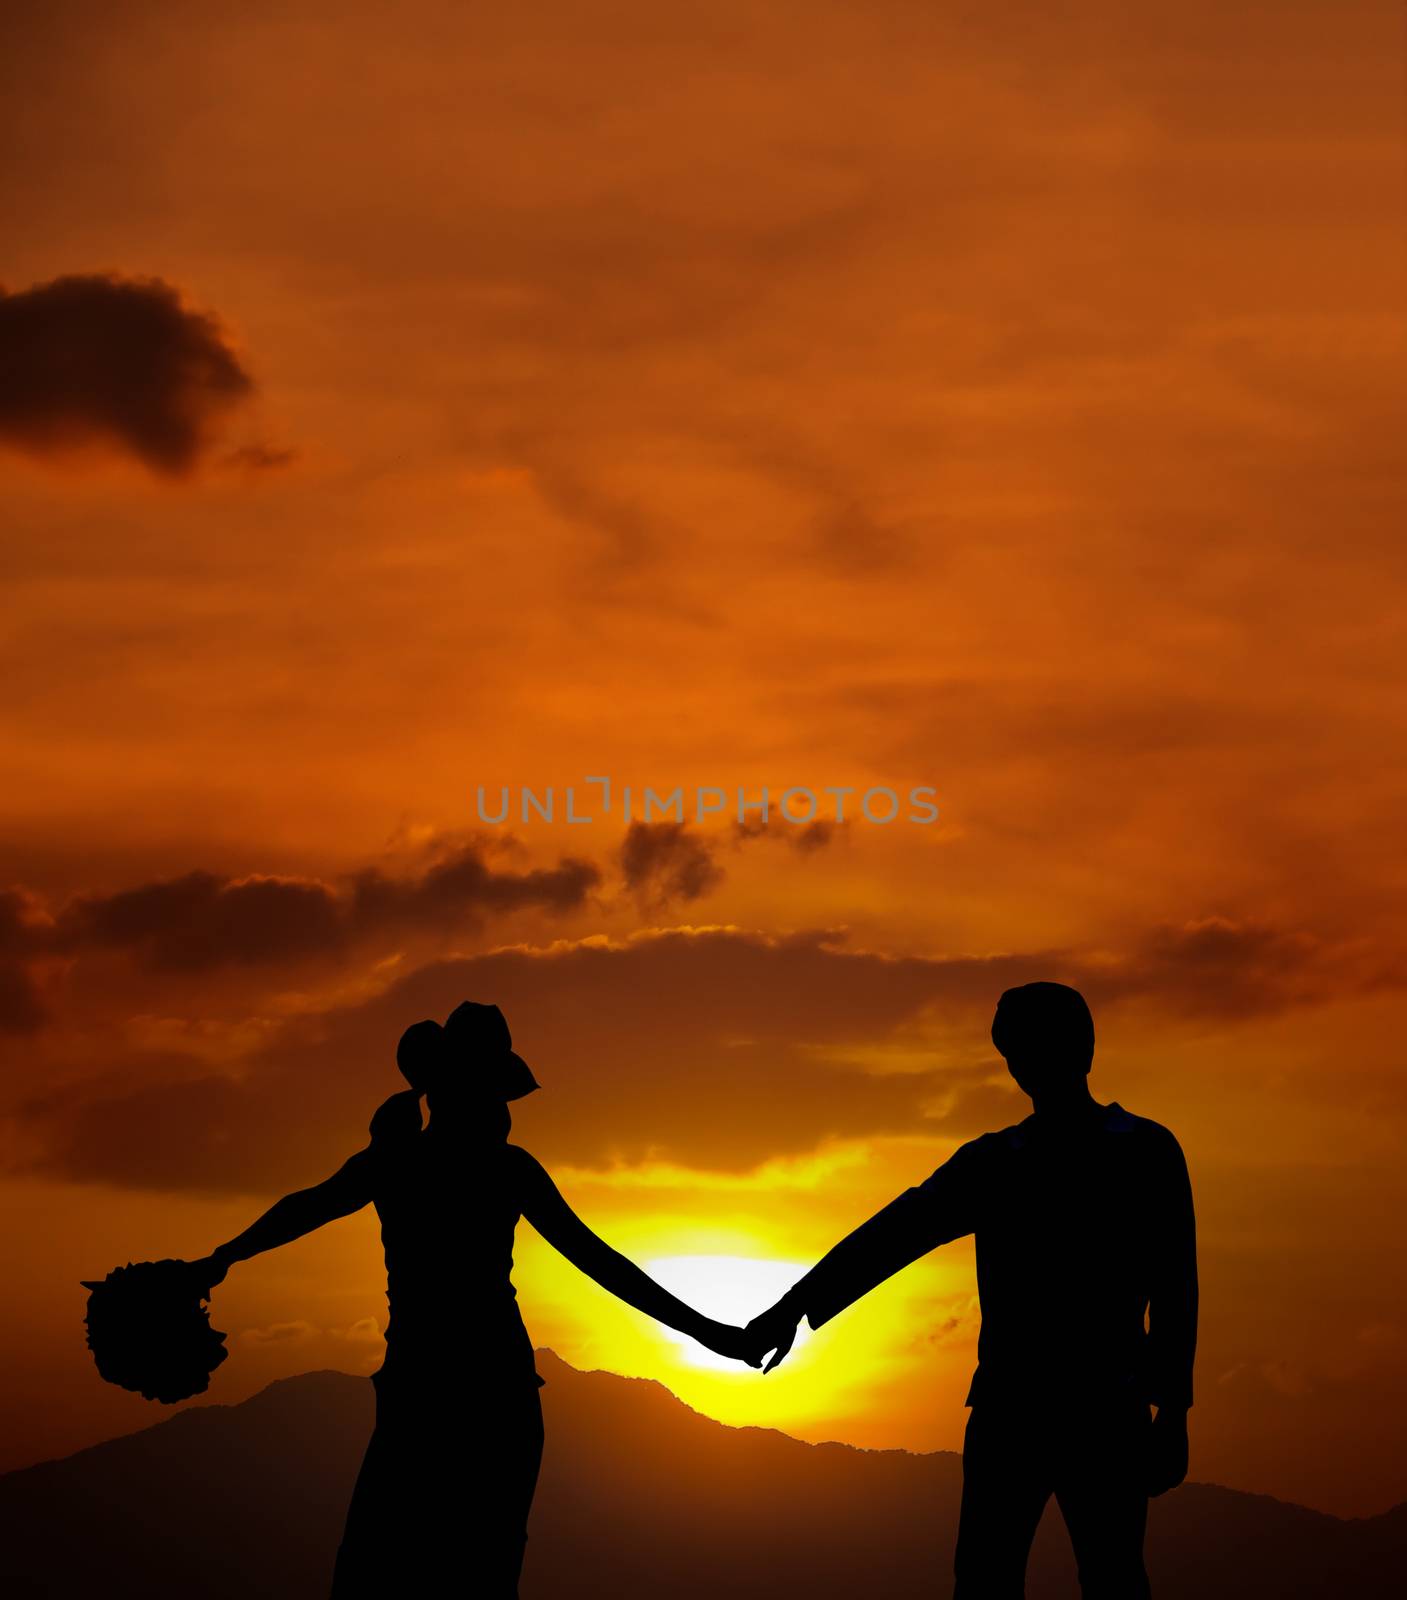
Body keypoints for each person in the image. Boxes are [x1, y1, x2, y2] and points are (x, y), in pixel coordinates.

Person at [184, 1001, 754, 1598]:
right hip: (457, 1398)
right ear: (455, 1088)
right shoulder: (447, 1165)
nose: (501, 1108)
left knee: (421, 1575)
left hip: (470, 1399)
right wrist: (220, 1259)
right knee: (416, 1574)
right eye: (491, 1090)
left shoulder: (420, 1163)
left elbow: (600, 1262)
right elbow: (308, 1206)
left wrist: (220, 1260)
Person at [742, 982, 1197, 1600]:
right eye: (1016, 1050)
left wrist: (1172, 1412)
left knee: (1107, 1576)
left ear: (1079, 1049)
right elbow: (893, 1234)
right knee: (990, 1579)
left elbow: (1175, 1288)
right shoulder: (1000, 1162)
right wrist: (792, 1307)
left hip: (1100, 1406)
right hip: (1017, 1406)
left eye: (1032, 1047)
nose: (1024, 1064)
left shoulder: (1142, 1152)